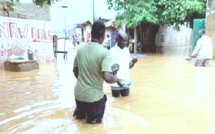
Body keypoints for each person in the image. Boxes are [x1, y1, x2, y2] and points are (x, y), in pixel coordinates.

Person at [73, 20, 122, 124]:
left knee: (79, 123)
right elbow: (108, 77)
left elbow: (75, 70)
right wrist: (117, 79)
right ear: (103, 34)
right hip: (94, 99)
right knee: (94, 127)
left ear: (91, 33)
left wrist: (84, 82)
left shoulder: (80, 50)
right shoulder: (105, 53)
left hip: (79, 95)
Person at [110, 31, 138, 97]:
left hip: (126, 83)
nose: (126, 43)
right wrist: (116, 79)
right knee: (116, 104)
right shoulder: (112, 51)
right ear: (118, 40)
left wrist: (133, 62)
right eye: (124, 41)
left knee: (125, 103)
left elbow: (129, 66)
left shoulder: (126, 50)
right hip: (116, 84)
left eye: (126, 41)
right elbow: (109, 69)